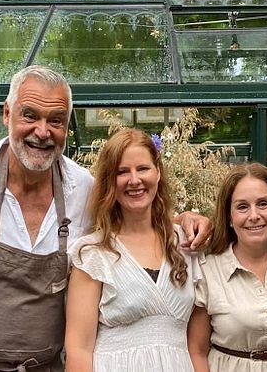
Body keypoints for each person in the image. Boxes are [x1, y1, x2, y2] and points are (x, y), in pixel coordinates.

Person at [0, 65, 211, 372]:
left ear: (66, 127)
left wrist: (182, 220)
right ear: (6, 114)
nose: (42, 132)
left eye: (55, 121)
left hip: (44, 366)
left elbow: (132, 219)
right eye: (30, 116)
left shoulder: (82, 189)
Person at [64, 128, 199, 372]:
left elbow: (198, 346)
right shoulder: (92, 253)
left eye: (143, 169)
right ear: (109, 182)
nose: (134, 180)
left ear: (158, 172)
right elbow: (78, 349)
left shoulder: (186, 243)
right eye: (122, 172)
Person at [187, 162, 267, 372]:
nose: (254, 215)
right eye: (242, 207)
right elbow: (197, 351)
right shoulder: (208, 271)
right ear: (229, 217)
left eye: (263, 204)